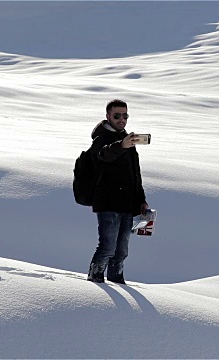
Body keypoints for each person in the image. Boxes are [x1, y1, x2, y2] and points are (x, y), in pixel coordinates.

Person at [87, 99, 149, 284]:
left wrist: (141, 200)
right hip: (108, 204)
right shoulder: (101, 138)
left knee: (121, 251)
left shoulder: (128, 141)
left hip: (128, 205)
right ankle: (95, 279)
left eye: (125, 115)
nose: (122, 119)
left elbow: (134, 176)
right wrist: (121, 145)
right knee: (107, 247)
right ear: (108, 117)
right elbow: (103, 155)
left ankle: (117, 280)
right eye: (117, 116)